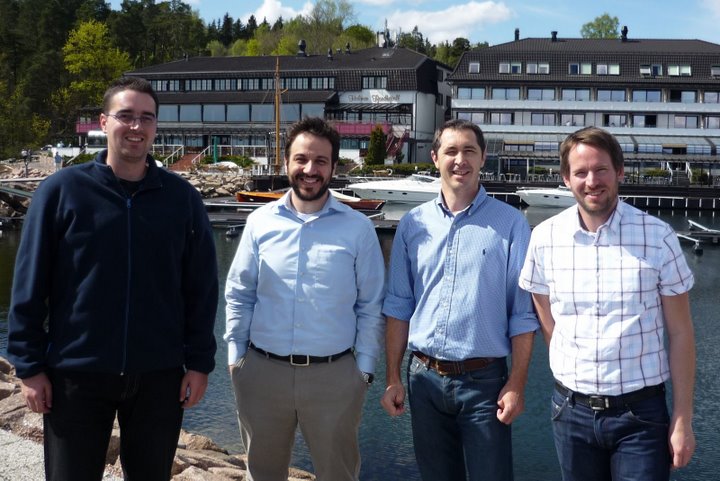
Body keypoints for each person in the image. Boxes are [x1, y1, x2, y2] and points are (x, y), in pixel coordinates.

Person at [7, 76, 218, 481]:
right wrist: (29, 367)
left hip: (159, 376)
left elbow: (201, 289)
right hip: (76, 372)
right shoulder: (61, 192)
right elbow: (29, 285)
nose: (136, 127)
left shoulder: (182, 200)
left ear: (156, 127)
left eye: (146, 118)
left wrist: (199, 363)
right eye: (126, 116)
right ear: (103, 122)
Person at [519, 126, 696, 481]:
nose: (591, 181)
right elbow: (545, 312)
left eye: (601, 169)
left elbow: (681, 333)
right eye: (580, 172)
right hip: (571, 412)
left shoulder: (657, 237)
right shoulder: (544, 239)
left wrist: (683, 420)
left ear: (620, 171)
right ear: (567, 179)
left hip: (641, 416)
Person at [224, 117, 385, 481]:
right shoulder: (260, 223)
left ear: (333, 166)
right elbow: (239, 292)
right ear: (286, 162)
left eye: (321, 161)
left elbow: (371, 304)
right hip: (262, 373)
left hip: (335, 376)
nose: (310, 170)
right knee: (262, 474)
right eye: (301, 159)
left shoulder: (357, 228)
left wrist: (364, 371)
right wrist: (236, 358)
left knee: (338, 475)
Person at [381, 119, 538, 481]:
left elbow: (522, 316)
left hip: (485, 384)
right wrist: (393, 377)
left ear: (483, 157)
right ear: (435, 157)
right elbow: (399, 306)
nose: (460, 160)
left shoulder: (511, 224)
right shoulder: (412, 224)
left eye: (469, 150)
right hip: (423, 380)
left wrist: (516, 383)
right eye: (451, 151)